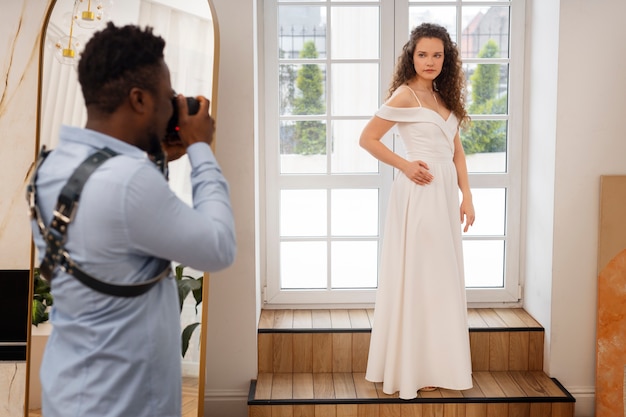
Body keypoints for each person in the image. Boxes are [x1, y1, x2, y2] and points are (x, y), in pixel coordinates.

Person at [28, 23, 236, 417]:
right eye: (166, 95)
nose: (171, 106)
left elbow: (121, 240)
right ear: (139, 100)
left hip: (71, 391)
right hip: (127, 403)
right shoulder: (128, 183)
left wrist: (155, 159)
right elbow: (219, 247)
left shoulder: (51, 167)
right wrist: (200, 152)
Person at [360, 23, 475, 399]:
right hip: (420, 192)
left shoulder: (445, 97)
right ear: (412, 55)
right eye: (423, 54)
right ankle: (415, 366)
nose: (430, 61)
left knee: (441, 278)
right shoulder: (405, 96)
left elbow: (456, 152)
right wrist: (405, 165)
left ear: (447, 58)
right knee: (422, 275)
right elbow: (368, 139)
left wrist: (467, 196)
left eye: (437, 55)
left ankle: (436, 363)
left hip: (444, 195)